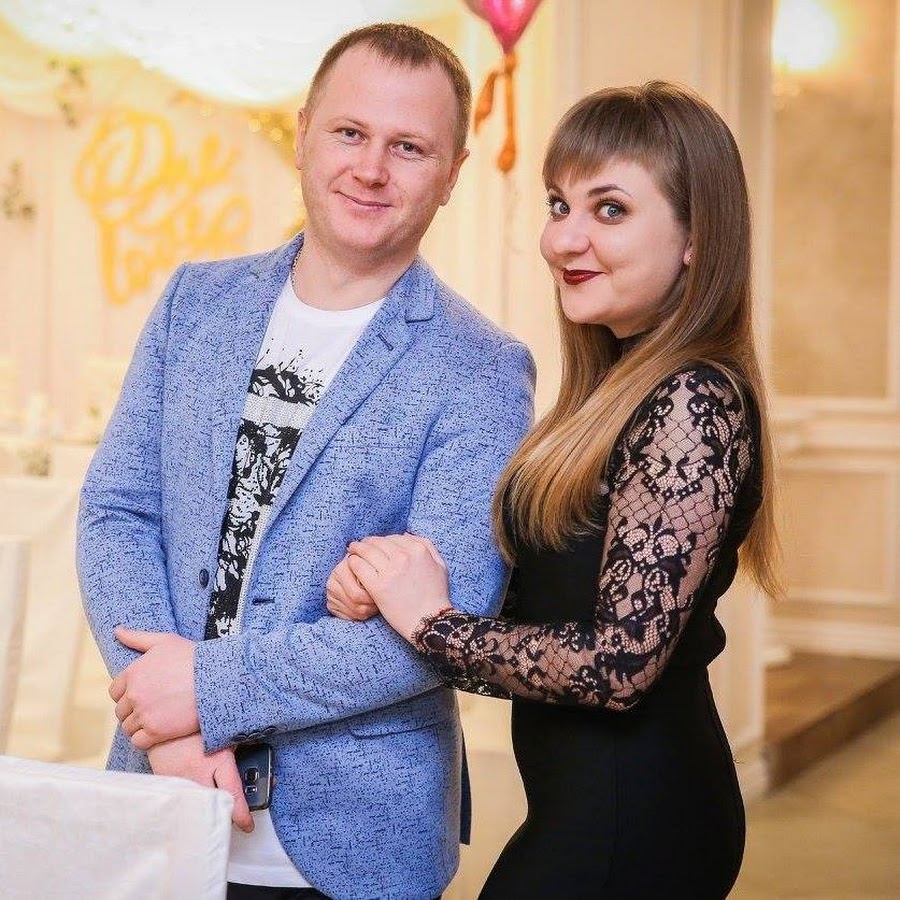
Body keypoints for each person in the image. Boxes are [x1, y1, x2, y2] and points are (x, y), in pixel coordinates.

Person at [77, 23, 534, 900]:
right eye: (349, 132)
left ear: (451, 174)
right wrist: (169, 727)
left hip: (353, 845)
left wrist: (203, 690)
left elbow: (444, 629)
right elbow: (117, 512)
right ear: (302, 135)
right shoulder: (194, 303)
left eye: (408, 147)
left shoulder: (482, 369)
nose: (371, 169)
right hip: (162, 806)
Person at [332, 81, 781, 899]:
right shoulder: (619, 389)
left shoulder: (691, 399)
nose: (563, 239)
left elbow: (619, 664)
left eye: (610, 209)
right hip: (594, 811)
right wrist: (392, 585)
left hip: (636, 823)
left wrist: (432, 623)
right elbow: (566, 597)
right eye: (558, 204)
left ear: (695, 237)